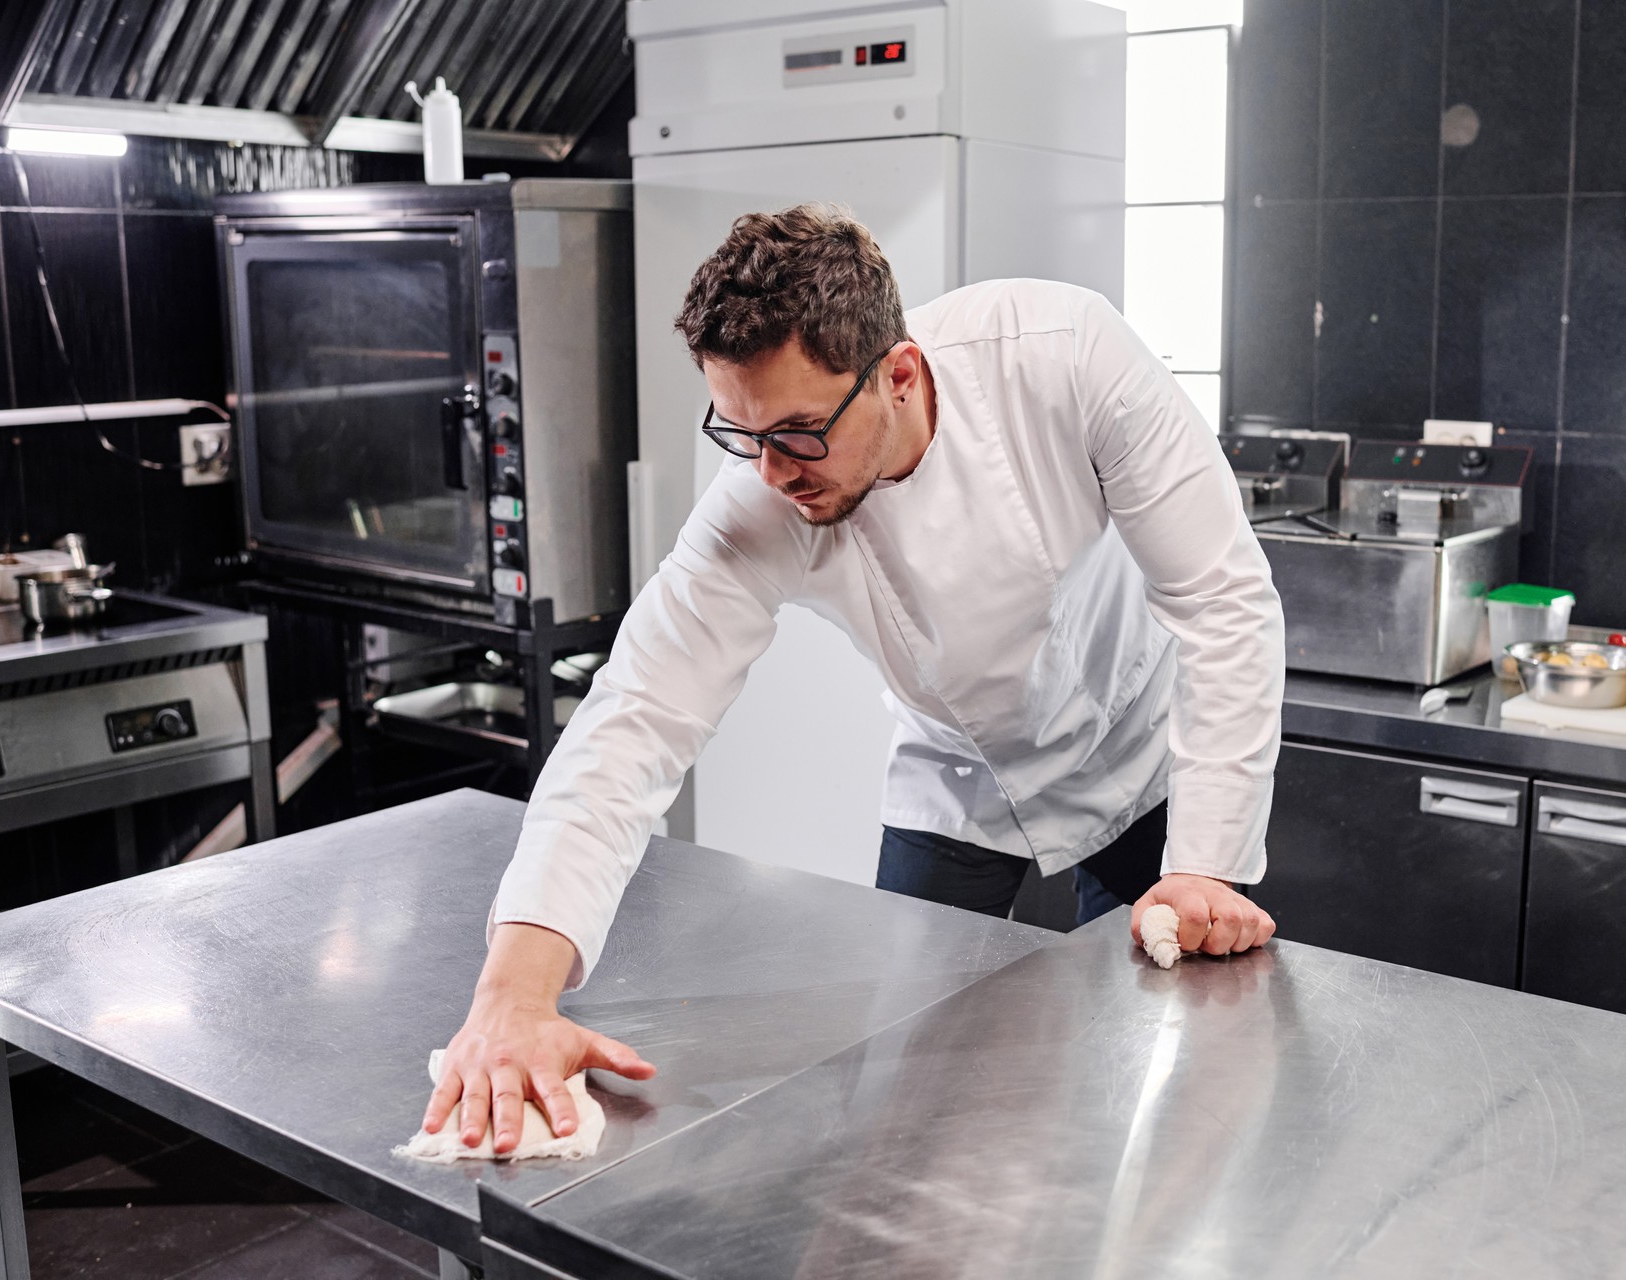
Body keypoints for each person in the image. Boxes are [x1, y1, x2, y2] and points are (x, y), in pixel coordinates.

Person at [420, 205, 1284, 1153]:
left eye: (798, 431)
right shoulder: (758, 491)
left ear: (901, 376)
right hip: (957, 774)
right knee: (913, 1094)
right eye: (741, 433)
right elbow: (634, 719)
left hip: (1140, 751)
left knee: (1162, 1078)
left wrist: (1204, 864)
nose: (771, 470)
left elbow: (1222, 602)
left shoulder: (1068, 355)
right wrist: (512, 995)